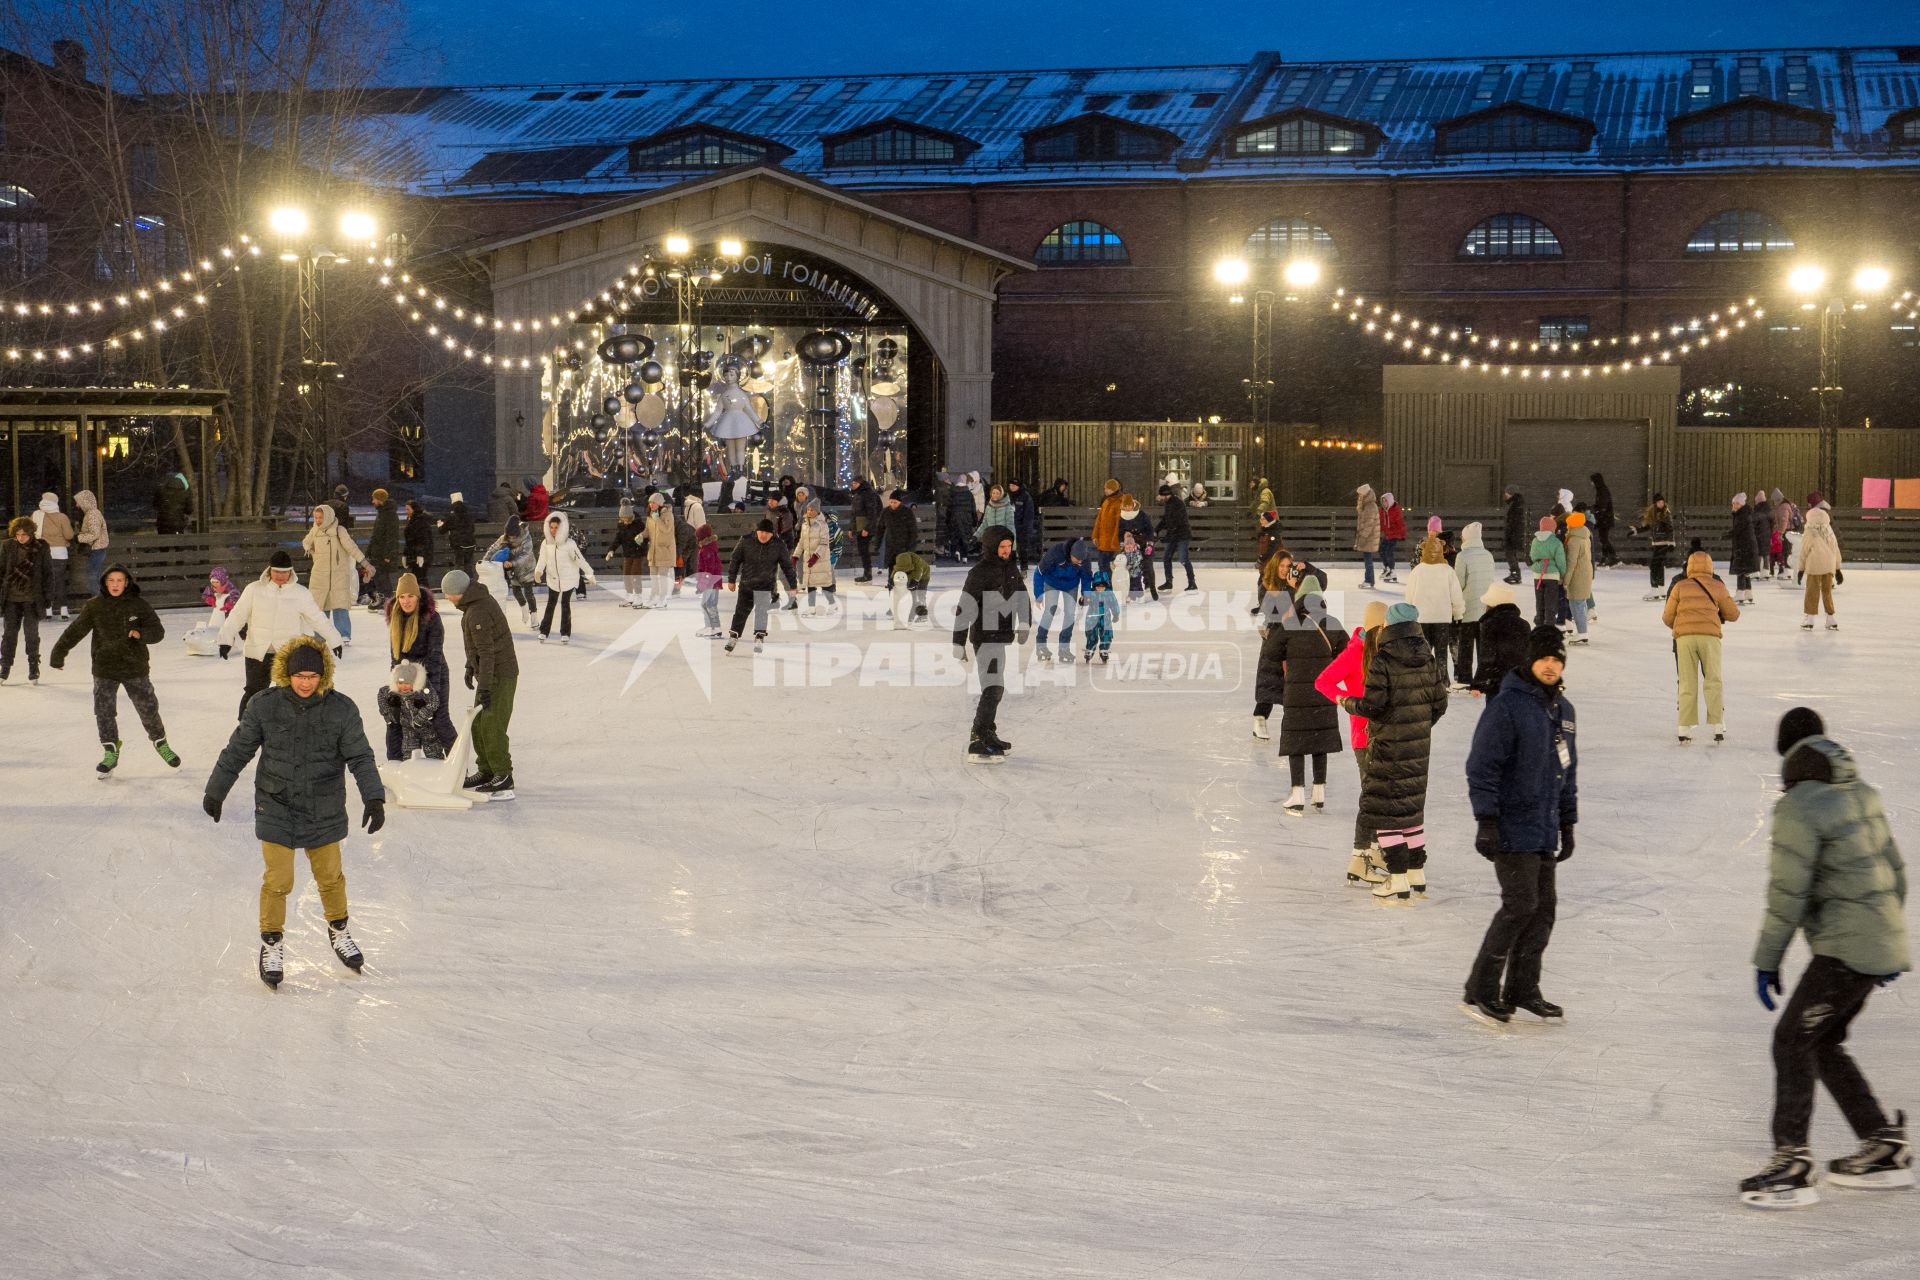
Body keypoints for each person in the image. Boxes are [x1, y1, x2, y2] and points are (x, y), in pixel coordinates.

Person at [1740, 707, 1911, 1209]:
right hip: (1875, 942)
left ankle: (1791, 1160)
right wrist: (1883, 941)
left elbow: (1787, 894)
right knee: (1823, 1041)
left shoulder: (1800, 806)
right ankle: (1882, 1142)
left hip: (1845, 947)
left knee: (1792, 1039)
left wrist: (1767, 959)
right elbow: (1896, 875)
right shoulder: (1862, 793)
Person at [203, 636, 384, 987]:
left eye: (312, 676)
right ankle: (271, 943)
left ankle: (339, 931)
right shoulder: (264, 705)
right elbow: (238, 750)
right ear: (286, 674)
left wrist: (373, 797)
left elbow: (360, 756)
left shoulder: (341, 709)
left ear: (323, 676)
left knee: (330, 877)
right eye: (299, 675)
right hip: (277, 803)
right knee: (279, 880)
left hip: (324, 804)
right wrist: (216, 790)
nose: (305, 682)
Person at [1462, 624, 1578, 1026]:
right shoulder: (1507, 706)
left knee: (1543, 910)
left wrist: (1568, 822)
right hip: (1511, 824)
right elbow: (1482, 766)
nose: (1550, 665)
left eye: (1557, 659)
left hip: (1544, 826)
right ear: (1530, 661)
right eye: (1544, 658)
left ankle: (1523, 988)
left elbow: (1567, 771)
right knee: (1520, 905)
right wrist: (1486, 820)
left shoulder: (1563, 711)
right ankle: (1481, 986)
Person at [1337, 601, 1447, 903]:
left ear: (1391, 626)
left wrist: (1346, 702)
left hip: (1387, 744)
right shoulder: (1428, 657)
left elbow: (1373, 706)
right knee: (1410, 807)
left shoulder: (1383, 659)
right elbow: (1440, 704)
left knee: (1386, 811)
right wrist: (1419, 724)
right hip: (1418, 744)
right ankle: (1416, 873)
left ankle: (1396, 878)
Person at [49, 562, 179, 774]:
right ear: (104, 583)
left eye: (119, 580)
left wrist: (141, 635)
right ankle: (110, 749)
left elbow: (158, 631)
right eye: (111, 580)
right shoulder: (94, 606)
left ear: (127, 582)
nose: (115, 584)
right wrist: (58, 652)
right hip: (105, 667)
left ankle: (160, 743)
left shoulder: (139, 605)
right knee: (104, 711)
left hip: (134, 666)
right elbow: (75, 631)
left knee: (148, 708)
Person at [1315, 599, 1390, 886]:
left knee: (1380, 796)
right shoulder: (1356, 651)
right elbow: (1323, 681)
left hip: (1383, 733)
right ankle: (1359, 858)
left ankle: (1374, 849)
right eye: (1385, 625)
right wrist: (1347, 701)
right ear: (1376, 627)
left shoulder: (1384, 651)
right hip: (1364, 736)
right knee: (1372, 798)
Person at [218, 551, 344, 719]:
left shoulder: (300, 593)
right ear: (269, 570)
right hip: (258, 652)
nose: (280, 575)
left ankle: (286, 730)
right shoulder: (254, 590)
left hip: (287, 653)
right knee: (254, 693)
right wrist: (225, 639)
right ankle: (246, 730)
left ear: (291, 572)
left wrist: (334, 639)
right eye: (276, 571)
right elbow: (237, 616)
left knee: (288, 694)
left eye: (284, 572)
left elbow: (317, 618)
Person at [1265, 589, 1348, 817]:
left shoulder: (1292, 624)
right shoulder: (1332, 624)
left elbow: (1270, 652)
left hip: (1297, 694)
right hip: (1324, 691)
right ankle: (1319, 792)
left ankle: (1297, 794)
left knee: (1297, 741)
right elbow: (1347, 653)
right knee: (1319, 740)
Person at [953, 527, 1030, 762]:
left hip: (1001, 637)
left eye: (1009, 546)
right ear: (991, 547)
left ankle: (988, 733)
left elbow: (1022, 596)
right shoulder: (979, 572)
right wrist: (958, 641)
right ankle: (977, 738)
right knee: (993, 688)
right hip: (985, 638)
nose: (1006, 551)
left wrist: (1025, 622)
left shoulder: (1011, 569)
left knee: (996, 687)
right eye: (1002, 547)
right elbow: (964, 606)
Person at [441, 569, 516, 797]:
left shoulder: (478, 611)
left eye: (448, 593)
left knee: (492, 726)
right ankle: (486, 770)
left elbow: (487, 651)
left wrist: (484, 686)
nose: (446, 598)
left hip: (500, 674)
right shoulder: (473, 605)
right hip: (489, 673)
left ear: (459, 593)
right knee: (477, 723)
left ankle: (503, 774)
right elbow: (478, 648)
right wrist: (469, 666)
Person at [1663, 549, 1740, 744]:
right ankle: (1717, 725)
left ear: (1689, 566)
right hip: (1709, 638)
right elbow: (1733, 614)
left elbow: (1667, 617)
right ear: (1710, 566)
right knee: (1713, 679)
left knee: (1687, 682)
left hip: (1685, 639)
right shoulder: (1717, 585)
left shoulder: (1680, 586)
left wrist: (1684, 625)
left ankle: (1684, 727)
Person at [385, 572, 456, 756]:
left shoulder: (432, 618)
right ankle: (396, 762)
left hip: (434, 673)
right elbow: (395, 658)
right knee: (397, 718)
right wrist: (395, 688)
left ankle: (458, 766)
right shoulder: (396, 618)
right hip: (406, 678)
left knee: (439, 719)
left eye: (410, 596)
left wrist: (431, 691)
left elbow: (434, 656)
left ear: (417, 597)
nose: (406, 601)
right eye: (401, 597)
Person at [725, 519, 798, 654]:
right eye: (761, 532)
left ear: (772, 534)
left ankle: (759, 636)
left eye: (767, 533)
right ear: (757, 531)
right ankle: (733, 636)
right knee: (740, 612)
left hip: (765, 585)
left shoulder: (778, 544)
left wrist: (793, 585)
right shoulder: (746, 541)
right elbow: (735, 559)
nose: (763, 535)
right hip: (747, 585)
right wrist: (731, 579)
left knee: (761, 613)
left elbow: (787, 566)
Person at [303, 503, 370, 642]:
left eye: (320, 517)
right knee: (321, 607)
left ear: (328, 516)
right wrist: (312, 552)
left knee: (339, 605)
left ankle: (343, 634)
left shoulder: (339, 530)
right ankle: (320, 635)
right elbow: (305, 542)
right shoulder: (315, 530)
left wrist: (365, 563)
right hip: (320, 575)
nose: (318, 520)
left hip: (338, 574)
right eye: (316, 517)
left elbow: (351, 548)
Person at [0, 516, 54, 684]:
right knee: (9, 635)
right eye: (17, 534)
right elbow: (1, 571)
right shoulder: (8, 546)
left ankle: (33, 667)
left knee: (32, 634)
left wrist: (48, 597)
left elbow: (47, 573)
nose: (21, 537)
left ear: (31, 533)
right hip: (11, 599)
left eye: (24, 534)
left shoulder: (41, 547)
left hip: (32, 599)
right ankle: (5, 667)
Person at [1405, 534, 1464, 676]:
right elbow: (1456, 594)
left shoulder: (1417, 571)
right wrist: (1458, 613)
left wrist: (1409, 617)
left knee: (1423, 652)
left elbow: (1409, 595)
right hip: (1442, 618)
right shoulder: (1448, 570)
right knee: (1441, 653)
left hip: (1422, 618)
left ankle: (1424, 679)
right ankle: (1442, 680)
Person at [533, 512, 594, 642]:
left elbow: (580, 560)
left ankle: (565, 632)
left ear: (562, 528)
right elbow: (542, 559)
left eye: (556, 527)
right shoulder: (546, 543)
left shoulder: (569, 544)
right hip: (553, 578)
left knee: (565, 604)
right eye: (551, 527)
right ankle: (544, 631)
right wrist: (538, 571)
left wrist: (589, 573)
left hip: (569, 577)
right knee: (551, 603)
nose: (553, 530)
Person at [1032, 536, 1093, 663]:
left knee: (1070, 614)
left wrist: (1085, 593)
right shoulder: (1056, 552)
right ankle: (1041, 645)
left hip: (1071, 584)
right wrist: (1038, 595)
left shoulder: (1084, 559)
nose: (1080, 562)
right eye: (1077, 560)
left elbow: (1086, 576)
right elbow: (1039, 572)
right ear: (1070, 554)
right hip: (1052, 582)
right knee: (1050, 611)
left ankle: (1064, 648)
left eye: (1082, 560)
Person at [1452, 522, 1497, 688]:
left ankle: (1465, 678)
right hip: (1486, 606)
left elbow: (1458, 584)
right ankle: (1483, 677)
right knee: (1484, 645)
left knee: (1466, 645)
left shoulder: (1462, 557)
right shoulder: (1488, 555)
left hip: (1468, 606)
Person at [377, 661, 445, 762]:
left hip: (427, 728)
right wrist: (387, 714)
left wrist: (420, 718)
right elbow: (381, 694)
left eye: (407, 683)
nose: (403, 687)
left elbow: (434, 702)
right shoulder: (395, 692)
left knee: (433, 751)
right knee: (408, 753)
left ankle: (437, 768)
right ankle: (409, 771)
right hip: (408, 729)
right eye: (400, 683)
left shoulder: (422, 691)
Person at [1473, 582, 1530, 697]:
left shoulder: (1489, 624)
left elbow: (1487, 657)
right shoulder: (1524, 624)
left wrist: (1478, 684)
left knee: (1496, 713)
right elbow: (1529, 655)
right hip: (1520, 681)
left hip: (1497, 682)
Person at [1794, 506, 1842, 631]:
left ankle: (1809, 619)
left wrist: (1801, 569)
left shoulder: (1810, 530)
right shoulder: (1829, 529)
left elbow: (1804, 551)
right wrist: (1837, 568)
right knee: (1827, 592)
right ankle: (1831, 619)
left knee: (1812, 591)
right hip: (1829, 565)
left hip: (1814, 565)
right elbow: (1835, 548)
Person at [487, 512, 540, 623]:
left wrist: (512, 563)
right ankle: (524, 609)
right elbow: (494, 548)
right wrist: (485, 559)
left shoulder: (526, 538)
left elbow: (525, 555)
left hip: (527, 568)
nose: (511, 537)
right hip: (513, 570)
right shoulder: (504, 538)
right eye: (509, 534)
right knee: (516, 592)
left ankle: (534, 615)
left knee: (528, 593)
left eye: (513, 535)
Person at [1627, 495, 1677, 599]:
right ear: (1655, 503)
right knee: (1658, 566)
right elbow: (1648, 527)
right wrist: (1636, 530)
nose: (1661, 504)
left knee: (1654, 566)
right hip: (1657, 544)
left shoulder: (1666, 514)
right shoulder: (1654, 514)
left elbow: (1670, 529)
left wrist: (1671, 543)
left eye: (1662, 502)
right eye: (1659, 502)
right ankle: (1661, 591)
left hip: (1663, 544)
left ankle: (1655, 591)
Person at [32, 492, 73, 619]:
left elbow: (31, 533)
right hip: (59, 553)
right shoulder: (62, 517)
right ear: (55, 502)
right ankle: (64, 610)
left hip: (42, 553)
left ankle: (48, 609)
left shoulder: (36, 515)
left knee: (46, 581)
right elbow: (69, 535)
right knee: (59, 581)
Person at [796, 502, 838, 614]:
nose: (809, 512)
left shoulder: (822, 524)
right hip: (808, 559)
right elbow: (801, 542)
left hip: (820, 560)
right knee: (810, 584)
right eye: (808, 510)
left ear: (817, 511)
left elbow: (824, 543)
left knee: (825, 585)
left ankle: (832, 604)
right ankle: (811, 608)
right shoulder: (805, 525)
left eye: (812, 510)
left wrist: (815, 556)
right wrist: (795, 556)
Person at [604, 501, 647, 608]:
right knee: (626, 575)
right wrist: (611, 550)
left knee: (635, 574)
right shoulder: (621, 525)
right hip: (627, 553)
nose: (625, 521)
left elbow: (645, 539)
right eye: (623, 519)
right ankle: (629, 596)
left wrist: (640, 543)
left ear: (631, 516)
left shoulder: (639, 524)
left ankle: (638, 597)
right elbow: (618, 538)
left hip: (638, 553)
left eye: (627, 519)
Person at [364, 488, 401, 610]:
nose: (372, 501)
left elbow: (392, 536)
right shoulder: (382, 513)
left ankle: (388, 601)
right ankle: (383, 599)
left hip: (383, 553)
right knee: (378, 576)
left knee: (382, 576)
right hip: (377, 552)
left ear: (380, 499)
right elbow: (376, 534)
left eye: (374, 498)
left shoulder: (390, 514)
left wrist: (388, 555)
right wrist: (369, 550)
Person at [1155, 484, 1195, 593]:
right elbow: (1166, 520)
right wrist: (1156, 530)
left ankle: (1192, 584)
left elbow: (1177, 522)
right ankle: (1169, 583)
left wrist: (1168, 535)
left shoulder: (1177, 503)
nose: (1160, 498)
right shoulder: (1168, 503)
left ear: (1165, 495)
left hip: (1182, 535)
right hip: (1174, 535)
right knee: (1167, 558)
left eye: (1161, 496)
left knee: (1183, 559)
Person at [1562, 511, 1594, 644]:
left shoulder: (1574, 540)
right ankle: (1582, 631)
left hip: (1577, 575)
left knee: (1577, 604)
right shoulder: (1584, 536)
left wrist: (1566, 580)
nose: (1567, 527)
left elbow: (1571, 562)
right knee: (1577, 603)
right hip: (1584, 572)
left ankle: (1582, 632)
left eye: (1568, 524)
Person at [1528, 516, 1566, 628]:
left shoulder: (1535, 540)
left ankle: (1539, 624)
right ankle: (1549, 625)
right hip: (1552, 576)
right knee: (1551, 602)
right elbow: (1561, 561)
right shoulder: (1556, 542)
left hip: (1538, 575)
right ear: (1552, 528)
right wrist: (1562, 573)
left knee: (1539, 601)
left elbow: (1532, 556)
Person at [1116, 496, 1156, 600]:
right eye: (1125, 506)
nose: (1127, 508)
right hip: (1131, 544)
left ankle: (1150, 586)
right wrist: (1122, 543)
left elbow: (1150, 530)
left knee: (1147, 564)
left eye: (1129, 506)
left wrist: (1150, 543)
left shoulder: (1141, 514)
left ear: (1132, 504)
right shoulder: (1121, 516)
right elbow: (1120, 532)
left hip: (1144, 542)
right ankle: (1132, 589)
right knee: (1131, 567)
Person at [640, 494, 675, 609]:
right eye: (650, 503)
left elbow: (666, 529)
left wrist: (657, 519)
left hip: (664, 550)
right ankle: (653, 597)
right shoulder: (650, 515)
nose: (651, 505)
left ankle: (663, 598)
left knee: (662, 577)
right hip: (653, 551)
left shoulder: (667, 514)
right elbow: (647, 530)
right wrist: (641, 536)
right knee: (653, 577)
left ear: (659, 503)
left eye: (653, 503)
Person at [693, 520, 725, 638]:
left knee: (707, 604)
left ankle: (713, 628)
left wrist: (703, 584)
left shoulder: (707, 549)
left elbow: (708, 569)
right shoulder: (707, 548)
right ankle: (712, 627)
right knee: (709, 604)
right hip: (712, 581)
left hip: (710, 581)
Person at [1729, 492, 1761, 606]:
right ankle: (1748, 593)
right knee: (1745, 571)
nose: (1734, 505)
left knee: (1741, 570)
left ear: (1741, 504)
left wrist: (1728, 534)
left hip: (1744, 547)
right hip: (1747, 546)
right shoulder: (1744, 513)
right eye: (1733, 503)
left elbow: (1739, 530)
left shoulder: (1742, 515)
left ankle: (1740, 593)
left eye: (1737, 503)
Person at [438, 491, 477, 581]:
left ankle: (457, 583)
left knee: (458, 564)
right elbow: (472, 529)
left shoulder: (452, 516)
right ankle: (470, 583)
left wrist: (440, 525)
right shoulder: (468, 515)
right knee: (468, 565)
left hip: (459, 544)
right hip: (470, 543)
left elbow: (442, 530)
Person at [849, 477, 882, 582]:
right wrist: (851, 528)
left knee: (864, 550)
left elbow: (873, 513)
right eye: (852, 483)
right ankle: (867, 573)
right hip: (860, 526)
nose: (853, 485)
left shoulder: (868, 494)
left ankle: (867, 574)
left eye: (855, 483)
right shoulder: (858, 494)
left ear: (860, 483)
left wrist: (867, 528)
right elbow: (854, 513)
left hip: (865, 527)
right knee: (863, 550)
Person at [73, 488, 108, 587]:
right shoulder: (91, 513)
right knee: (95, 577)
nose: (77, 505)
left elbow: (94, 534)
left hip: (96, 550)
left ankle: (98, 600)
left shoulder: (92, 514)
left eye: (78, 502)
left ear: (85, 501)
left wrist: (79, 538)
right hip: (97, 550)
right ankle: (99, 599)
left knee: (93, 579)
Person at [1006, 478, 1041, 572]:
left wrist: (1025, 527)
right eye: (1010, 486)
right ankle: (1011, 566)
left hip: (1022, 527)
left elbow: (1029, 514)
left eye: (1013, 486)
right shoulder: (1007, 496)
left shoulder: (1025, 497)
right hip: (1010, 526)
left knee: (1022, 547)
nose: (1011, 487)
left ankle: (1024, 566)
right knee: (1009, 547)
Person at [1091, 479, 1124, 573]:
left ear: (1114, 489)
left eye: (1108, 489)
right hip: (1103, 540)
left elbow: (1119, 523)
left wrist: (1115, 540)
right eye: (1105, 488)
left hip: (1111, 541)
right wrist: (1095, 536)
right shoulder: (1106, 501)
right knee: (1102, 563)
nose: (1105, 490)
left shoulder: (1119, 503)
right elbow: (1099, 520)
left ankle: (1108, 584)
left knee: (1103, 563)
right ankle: (1106, 583)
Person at [1354, 484, 1381, 588]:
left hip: (1369, 537)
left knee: (1368, 559)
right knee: (1367, 558)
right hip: (1368, 536)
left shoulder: (1370, 506)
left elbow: (1369, 524)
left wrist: (1363, 537)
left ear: (1365, 494)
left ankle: (1368, 580)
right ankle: (1370, 580)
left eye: (1360, 495)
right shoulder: (1367, 505)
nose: (1359, 497)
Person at [976, 484, 1017, 552]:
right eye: (993, 493)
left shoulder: (1007, 507)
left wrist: (1013, 547)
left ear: (1001, 494)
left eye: (997, 493)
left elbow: (1011, 527)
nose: (995, 495)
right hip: (990, 541)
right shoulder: (989, 507)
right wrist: (976, 536)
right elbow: (984, 524)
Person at [1377, 492, 1407, 583]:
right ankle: (1386, 569)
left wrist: (1402, 534)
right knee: (1381, 550)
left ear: (1389, 501)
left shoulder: (1395, 510)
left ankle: (1392, 571)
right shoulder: (1382, 511)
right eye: (1382, 501)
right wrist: (1379, 531)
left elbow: (1401, 523)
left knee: (1389, 552)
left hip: (1394, 534)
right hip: (1386, 535)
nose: (1384, 503)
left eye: (1385, 501)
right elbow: (1381, 523)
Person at [1589, 472, 1617, 566]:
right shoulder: (1601, 490)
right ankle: (1606, 558)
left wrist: (1593, 509)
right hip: (1604, 519)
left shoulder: (1602, 491)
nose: (1591, 483)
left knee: (1604, 539)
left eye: (1592, 481)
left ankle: (1613, 557)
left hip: (1604, 519)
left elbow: (1602, 506)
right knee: (1603, 539)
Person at [403, 498, 434, 581]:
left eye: (408, 509)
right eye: (406, 509)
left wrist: (420, 555)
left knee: (420, 579)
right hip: (415, 555)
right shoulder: (413, 521)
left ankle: (424, 593)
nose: (406, 511)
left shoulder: (420, 521)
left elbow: (423, 540)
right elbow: (410, 541)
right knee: (419, 578)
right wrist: (405, 555)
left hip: (420, 556)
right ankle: (423, 593)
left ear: (414, 509)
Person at [1500, 486, 1527, 584]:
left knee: (1510, 553)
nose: (1504, 495)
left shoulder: (1515, 505)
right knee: (1511, 554)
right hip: (1514, 534)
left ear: (1510, 493)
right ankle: (1515, 573)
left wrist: (1510, 535)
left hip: (1513, 535)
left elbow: (1514, 522)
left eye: (1506, 493)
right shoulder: (1516, 504)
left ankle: (1515, 573)